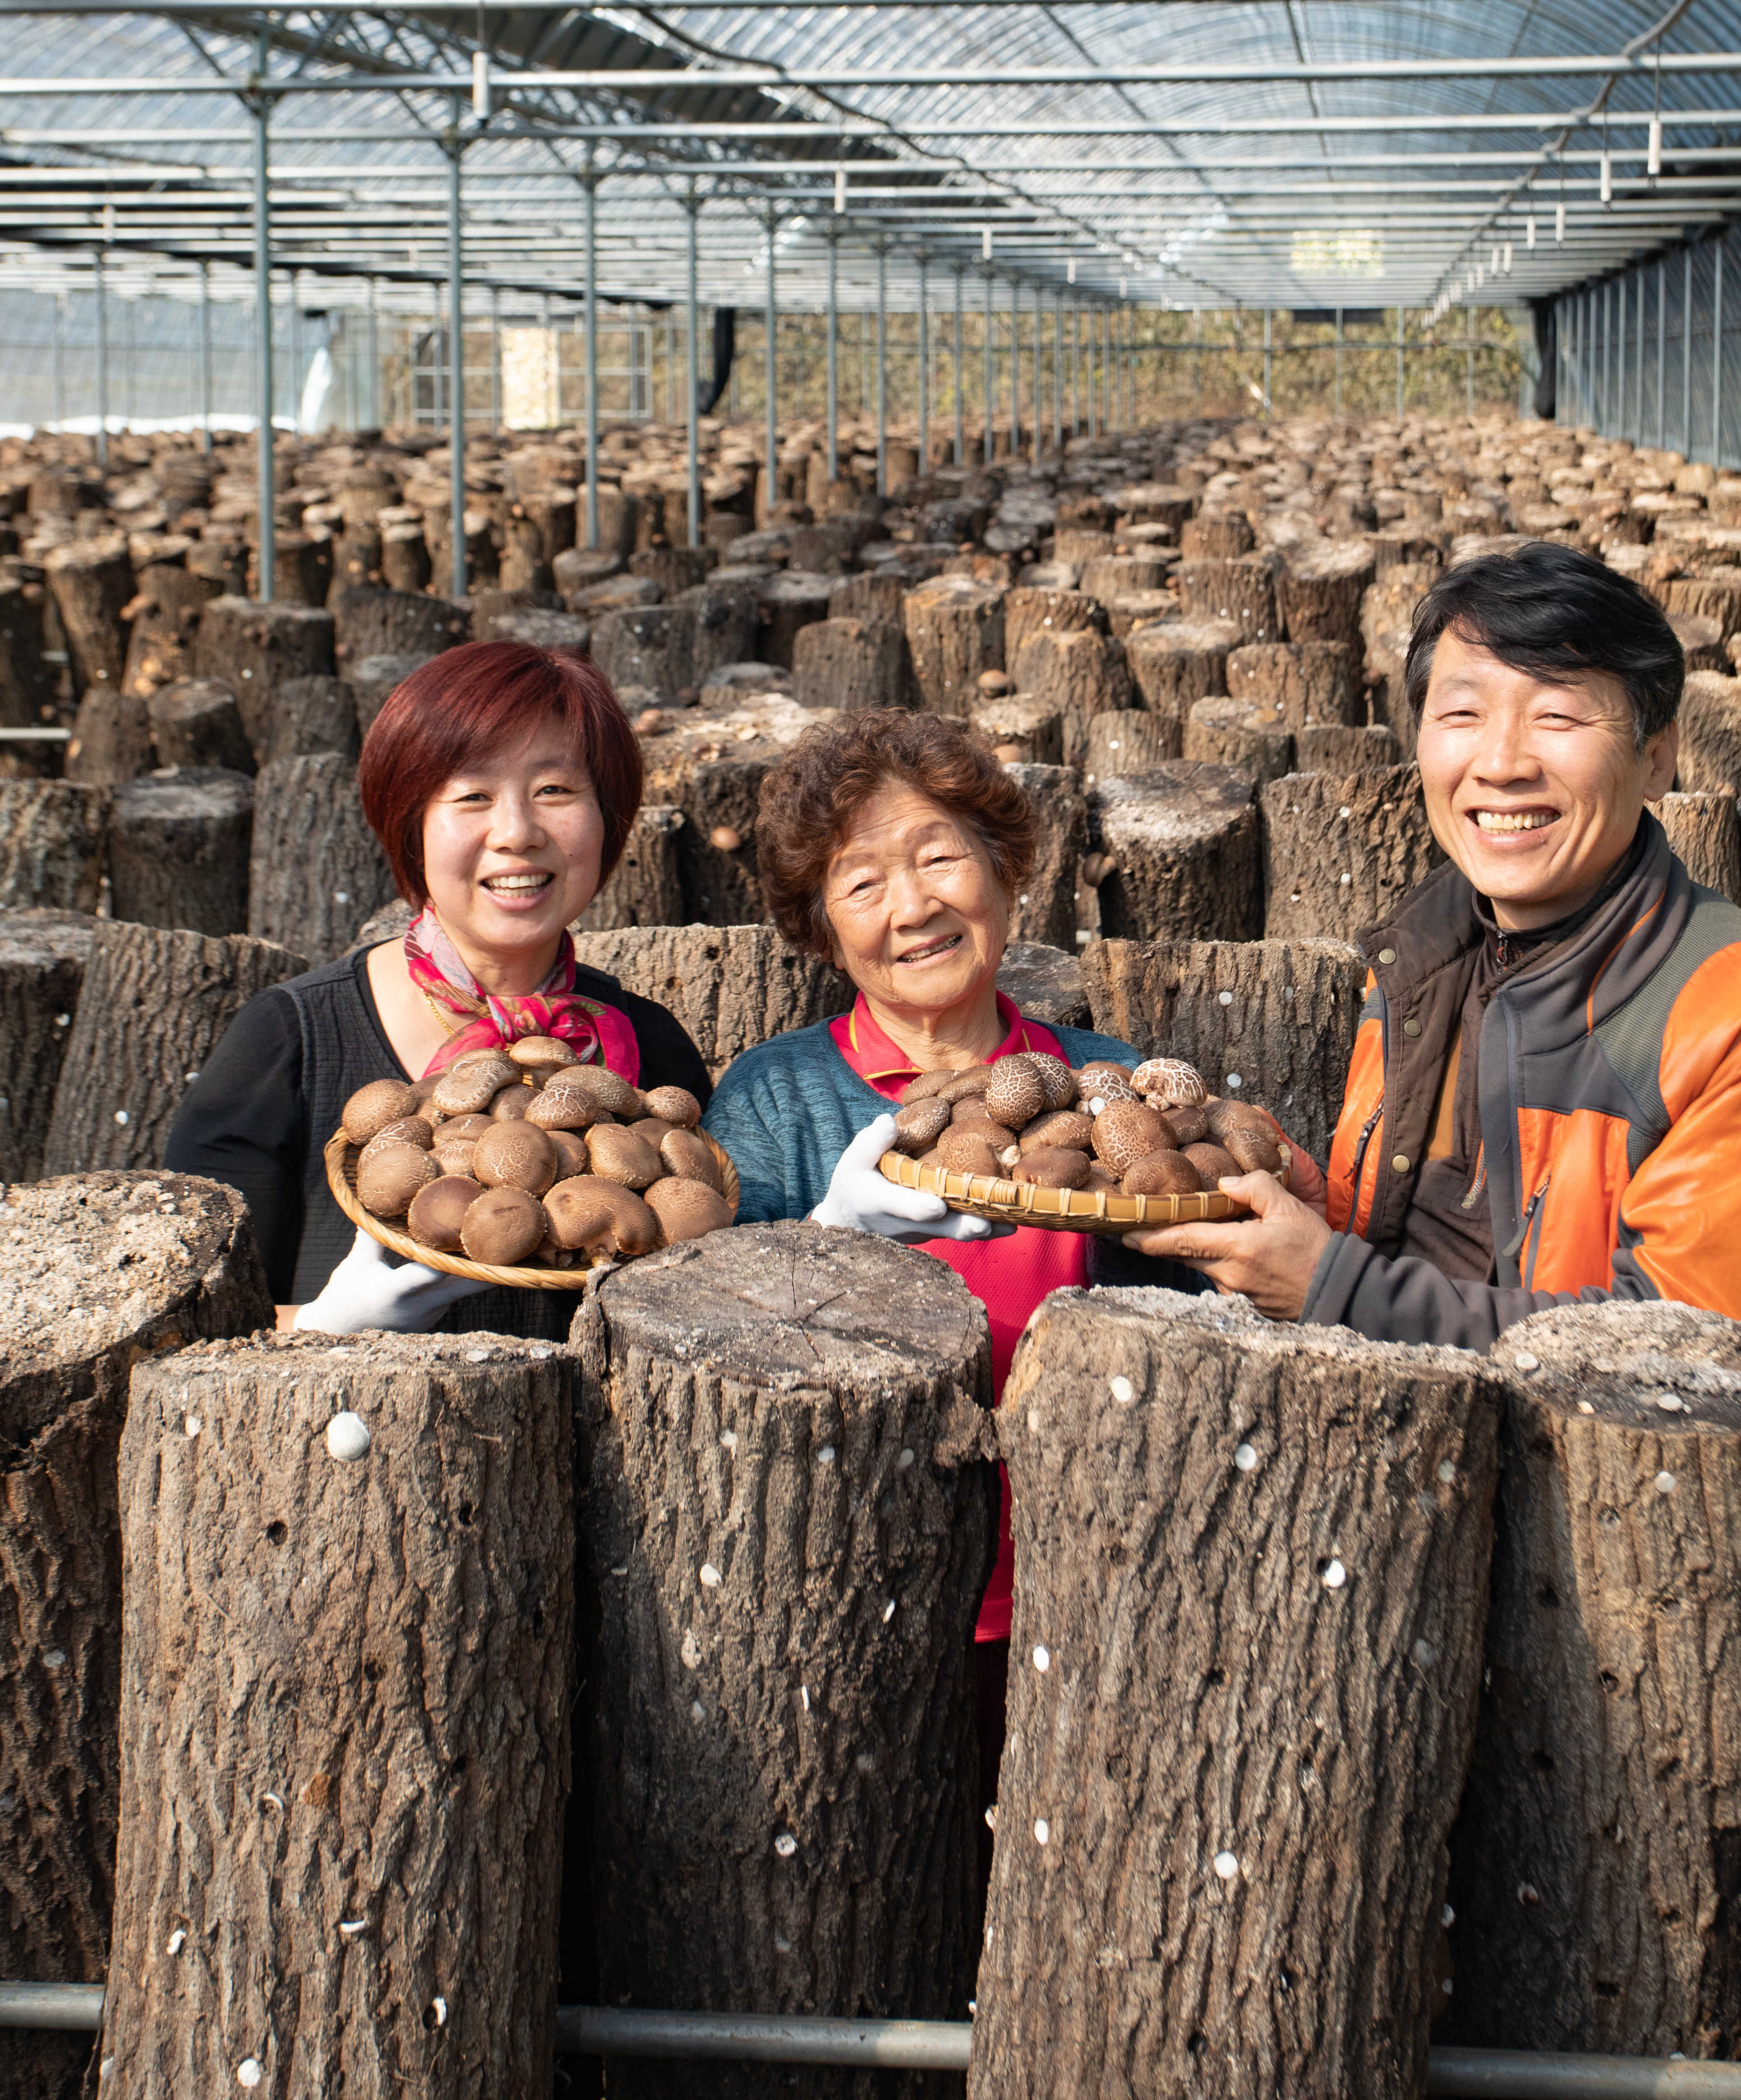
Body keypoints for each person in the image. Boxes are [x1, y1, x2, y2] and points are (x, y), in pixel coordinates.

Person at [1133, 540, 1741, 1359]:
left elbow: (1670, 1352)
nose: (1501, 763)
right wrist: (1327, 1220)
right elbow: (1437, 1252)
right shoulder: (1422, 960)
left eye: (1556, 716)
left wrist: (1329, 1285)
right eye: (1463, 715)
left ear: (1657, 758)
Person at [701, 708, 1170, 1747]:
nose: (912, 905)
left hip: (1080, 1572)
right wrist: (832, 1234)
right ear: (823, 930)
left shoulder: (1102, 1074)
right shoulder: (775, 1098)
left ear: (1006, 875)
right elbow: (714, 1354)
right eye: (862, 884)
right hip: (855, 1578)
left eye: (940, 858)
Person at [167, 640, 711, 1336]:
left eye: (554, 790)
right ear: (411, 826)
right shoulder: (287, 1041)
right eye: (472, 796)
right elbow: (187, 1330)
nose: (516, 832)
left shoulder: (649, 1044)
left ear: (607, 820)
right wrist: (320, 1326)